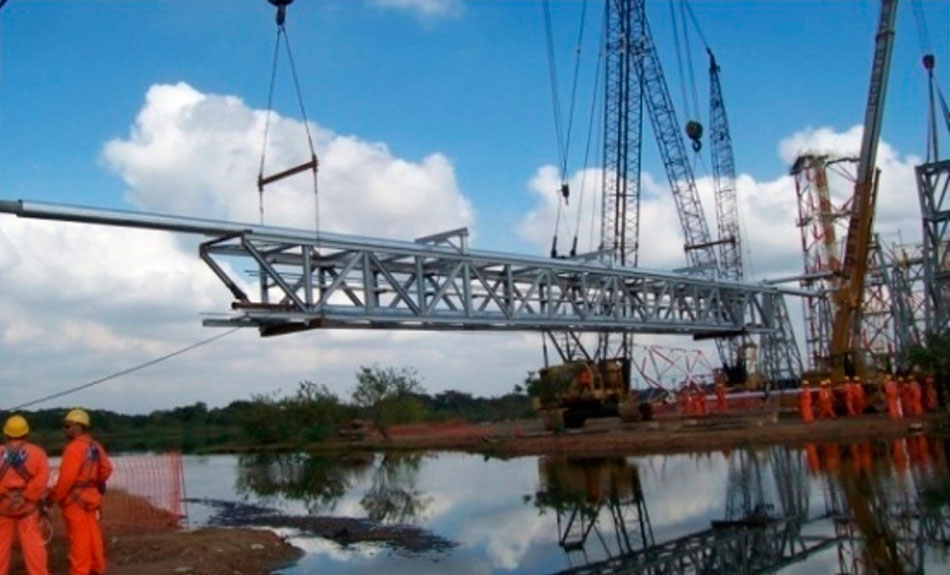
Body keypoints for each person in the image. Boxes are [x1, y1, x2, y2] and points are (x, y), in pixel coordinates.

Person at [48, 409, 113, 575]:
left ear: (78, 426)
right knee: (93, 534)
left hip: (74, 500)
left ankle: (80, 570)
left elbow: (66, 479)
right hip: (91, 497)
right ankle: (97, 567)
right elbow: (106, 468)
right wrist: (95, 482)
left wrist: (54, 496)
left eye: (68, 426)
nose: (65, 429)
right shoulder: (95, 446)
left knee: (79, 539)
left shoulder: (73, 449)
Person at [0, 415, 50, 575]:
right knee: (34, 548)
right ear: (26, 433)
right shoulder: (38, 453)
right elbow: (43, 478)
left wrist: (6, 495)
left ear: (5, 434)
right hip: (28, 508)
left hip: (2, 507)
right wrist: (26, 496)